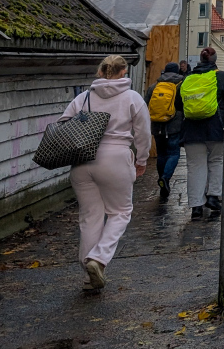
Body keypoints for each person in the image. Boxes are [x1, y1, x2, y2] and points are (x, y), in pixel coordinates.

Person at [58, 54, 151, 292]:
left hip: (82, 161)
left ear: (100, 72)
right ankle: (98, 259)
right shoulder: (132, 98)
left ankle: (89, 277)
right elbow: (142, 134)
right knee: (120, 212)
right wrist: (141, 160)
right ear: (124, 72)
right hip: (116, 159)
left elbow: (63, 125)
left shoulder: (84, 97)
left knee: (90, 217)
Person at [177, 47, 224, 220]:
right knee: (216, 161)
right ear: (215, 61)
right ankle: (213, 196)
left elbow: (178, 104)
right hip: (215, 127)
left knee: (195, 167)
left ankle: (196, 207)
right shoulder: (220, 76)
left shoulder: (187, 79)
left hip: (191, 129)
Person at [144, 61, 184, 201]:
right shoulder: (180, 85)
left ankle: (162, 183)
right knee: (173, 153)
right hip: (174, 126)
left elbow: (146, 104)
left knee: (161, 154)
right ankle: (165, 178)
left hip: (156, 126)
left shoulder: (153, 87)